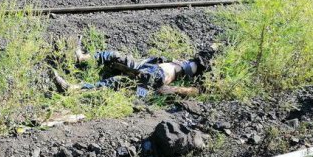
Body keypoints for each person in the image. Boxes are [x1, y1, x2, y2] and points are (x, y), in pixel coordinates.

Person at [52, 37, 205, 98]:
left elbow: (191, 91)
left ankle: (73, 89)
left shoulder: (195, 68)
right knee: (115, 56)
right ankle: (81, 58)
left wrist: (149, 92)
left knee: (116, 82)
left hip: (153, 78)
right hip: (148, 66)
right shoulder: (185, 63)